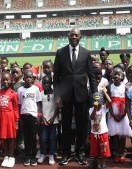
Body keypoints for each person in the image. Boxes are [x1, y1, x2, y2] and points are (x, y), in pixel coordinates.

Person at [53, 28, 97, 166]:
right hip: (65, 96)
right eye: (71, 35)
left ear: (80, 37)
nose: (73, 37)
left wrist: (95, 93)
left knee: (81, 126)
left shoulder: (86, 53)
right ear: (68, 36)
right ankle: (65, 153)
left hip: (81, 95)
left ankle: (80, 153)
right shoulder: (60, 53)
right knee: (65, 126)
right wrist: (57, 95)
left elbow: (91, 75)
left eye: (76, 35)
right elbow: (56, 77)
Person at [0, 72, 19, 168]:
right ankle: (6, 155)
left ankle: (12, 156)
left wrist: (16, 121)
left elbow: (16, 108)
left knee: (11, 138)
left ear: (11, 80)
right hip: (1, 117)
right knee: (3, 137)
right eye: (3, 79)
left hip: (10, 117)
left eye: (7, 79)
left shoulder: (13, 93)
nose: (5, 81)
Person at [18, 70, 42, 167]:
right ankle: (27, 155)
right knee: (26, 137)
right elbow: (19, 104)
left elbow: (39, 103)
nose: (28, 79)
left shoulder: (36, 89)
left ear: (33, 79)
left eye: (30, 77)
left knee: (33, 137)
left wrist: (39, 115)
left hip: (33, 117)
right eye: (26, 77)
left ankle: (33, 156)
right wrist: (19, 117)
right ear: (23, 78)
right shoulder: (20, 90)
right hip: (24, 116)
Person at [108, 67, 132, 163]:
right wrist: (113, 114)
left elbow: (127, 102)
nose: (116, 75)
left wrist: (124, 114)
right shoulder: (110, 87)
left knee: (122, 135)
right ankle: (116, 153)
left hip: (123, 112)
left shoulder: (125, 87)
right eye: (114, 74)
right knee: (115, 134)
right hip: (113, 112)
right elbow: (109, 102)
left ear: (122, 76)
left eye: (118, 74)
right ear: (112, 76)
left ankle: (122, 152)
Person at [37, 75, 59, 165]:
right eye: (44, 83)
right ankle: (42, 153)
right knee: (43, 138)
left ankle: (51, 155)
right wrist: (43, 118)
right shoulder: (40, 94)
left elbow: (58, 108)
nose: (46, 85)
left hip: (53, 120)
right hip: (43, 120)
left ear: (51, 83)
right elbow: (39, 107)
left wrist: (53, 118)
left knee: (52, 138)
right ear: (41, 83)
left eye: (48, 83)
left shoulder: (55, 94)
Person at [88, 92, 111, 169]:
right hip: (94, 133)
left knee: (103, 149)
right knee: (94, 150)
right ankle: (95, 162)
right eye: (96, 102)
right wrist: (95, 108)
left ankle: (103, 164)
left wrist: (104, 93)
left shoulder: (104, 108)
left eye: (99, 102)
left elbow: (110, 101)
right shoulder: (91, 109)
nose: (98, 104)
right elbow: (92, 117)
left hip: (103, 133)